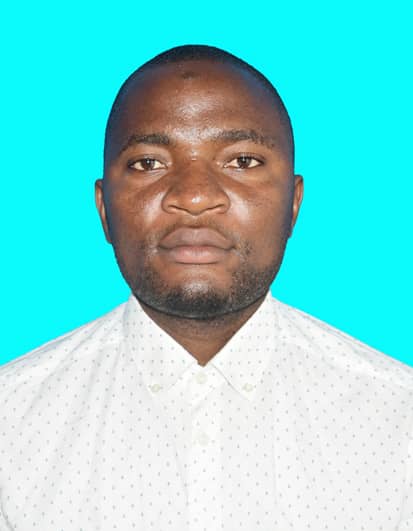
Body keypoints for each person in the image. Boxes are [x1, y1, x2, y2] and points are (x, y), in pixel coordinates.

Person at [0, 45, 412, 531]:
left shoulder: (399, 420)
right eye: (148, 164)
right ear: (104, 207)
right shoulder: (11, 422)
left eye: (242, 160)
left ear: (294, 203)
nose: (194, 197)